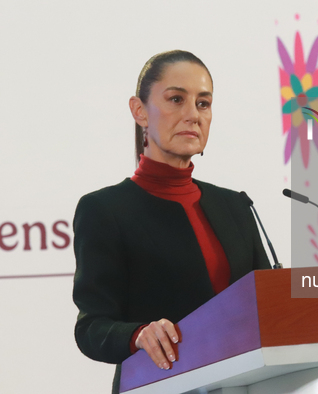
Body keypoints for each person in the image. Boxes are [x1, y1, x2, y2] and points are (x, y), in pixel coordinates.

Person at [72, 50, 271, 393]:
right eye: (176, 99)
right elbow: (91, 327)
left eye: (203, 103)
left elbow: (268, 305)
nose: (192, 115)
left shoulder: (235, 205)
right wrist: (138, 334)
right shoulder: (104, 210)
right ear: (139, 111)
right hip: (158, 384)